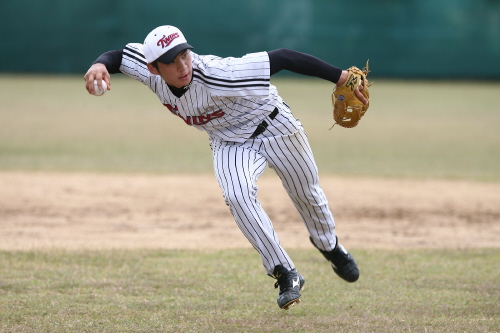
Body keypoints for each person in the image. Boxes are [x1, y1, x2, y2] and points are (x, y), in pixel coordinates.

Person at [84, 25, 365, 310]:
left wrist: (341, 77)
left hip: (277, 127)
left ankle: (329, 245)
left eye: (184, 55)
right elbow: (118, 57)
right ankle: (284, 271)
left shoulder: (219, 74)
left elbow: (283, 57)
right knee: (237, 195)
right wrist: (98, 64)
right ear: (154, 69)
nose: (182, 65)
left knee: (308, 195)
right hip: (229, 141)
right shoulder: (148, 71)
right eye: (171, 61)